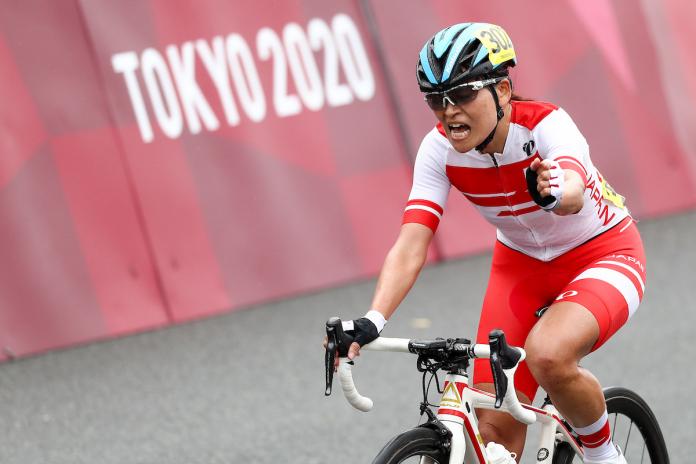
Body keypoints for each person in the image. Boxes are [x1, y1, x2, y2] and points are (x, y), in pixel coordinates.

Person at [336, 22, 645, 464]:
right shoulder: (438, 150)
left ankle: (603, 455)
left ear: (502, 90)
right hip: (520, 266)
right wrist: (373, 319)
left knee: (549, 356)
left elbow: (572, 189)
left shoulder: (547, 125)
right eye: (435, 100)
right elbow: (412, 241)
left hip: (603, 253)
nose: (448, 112)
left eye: (462, 95)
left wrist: (554, 193)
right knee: (494, 431)